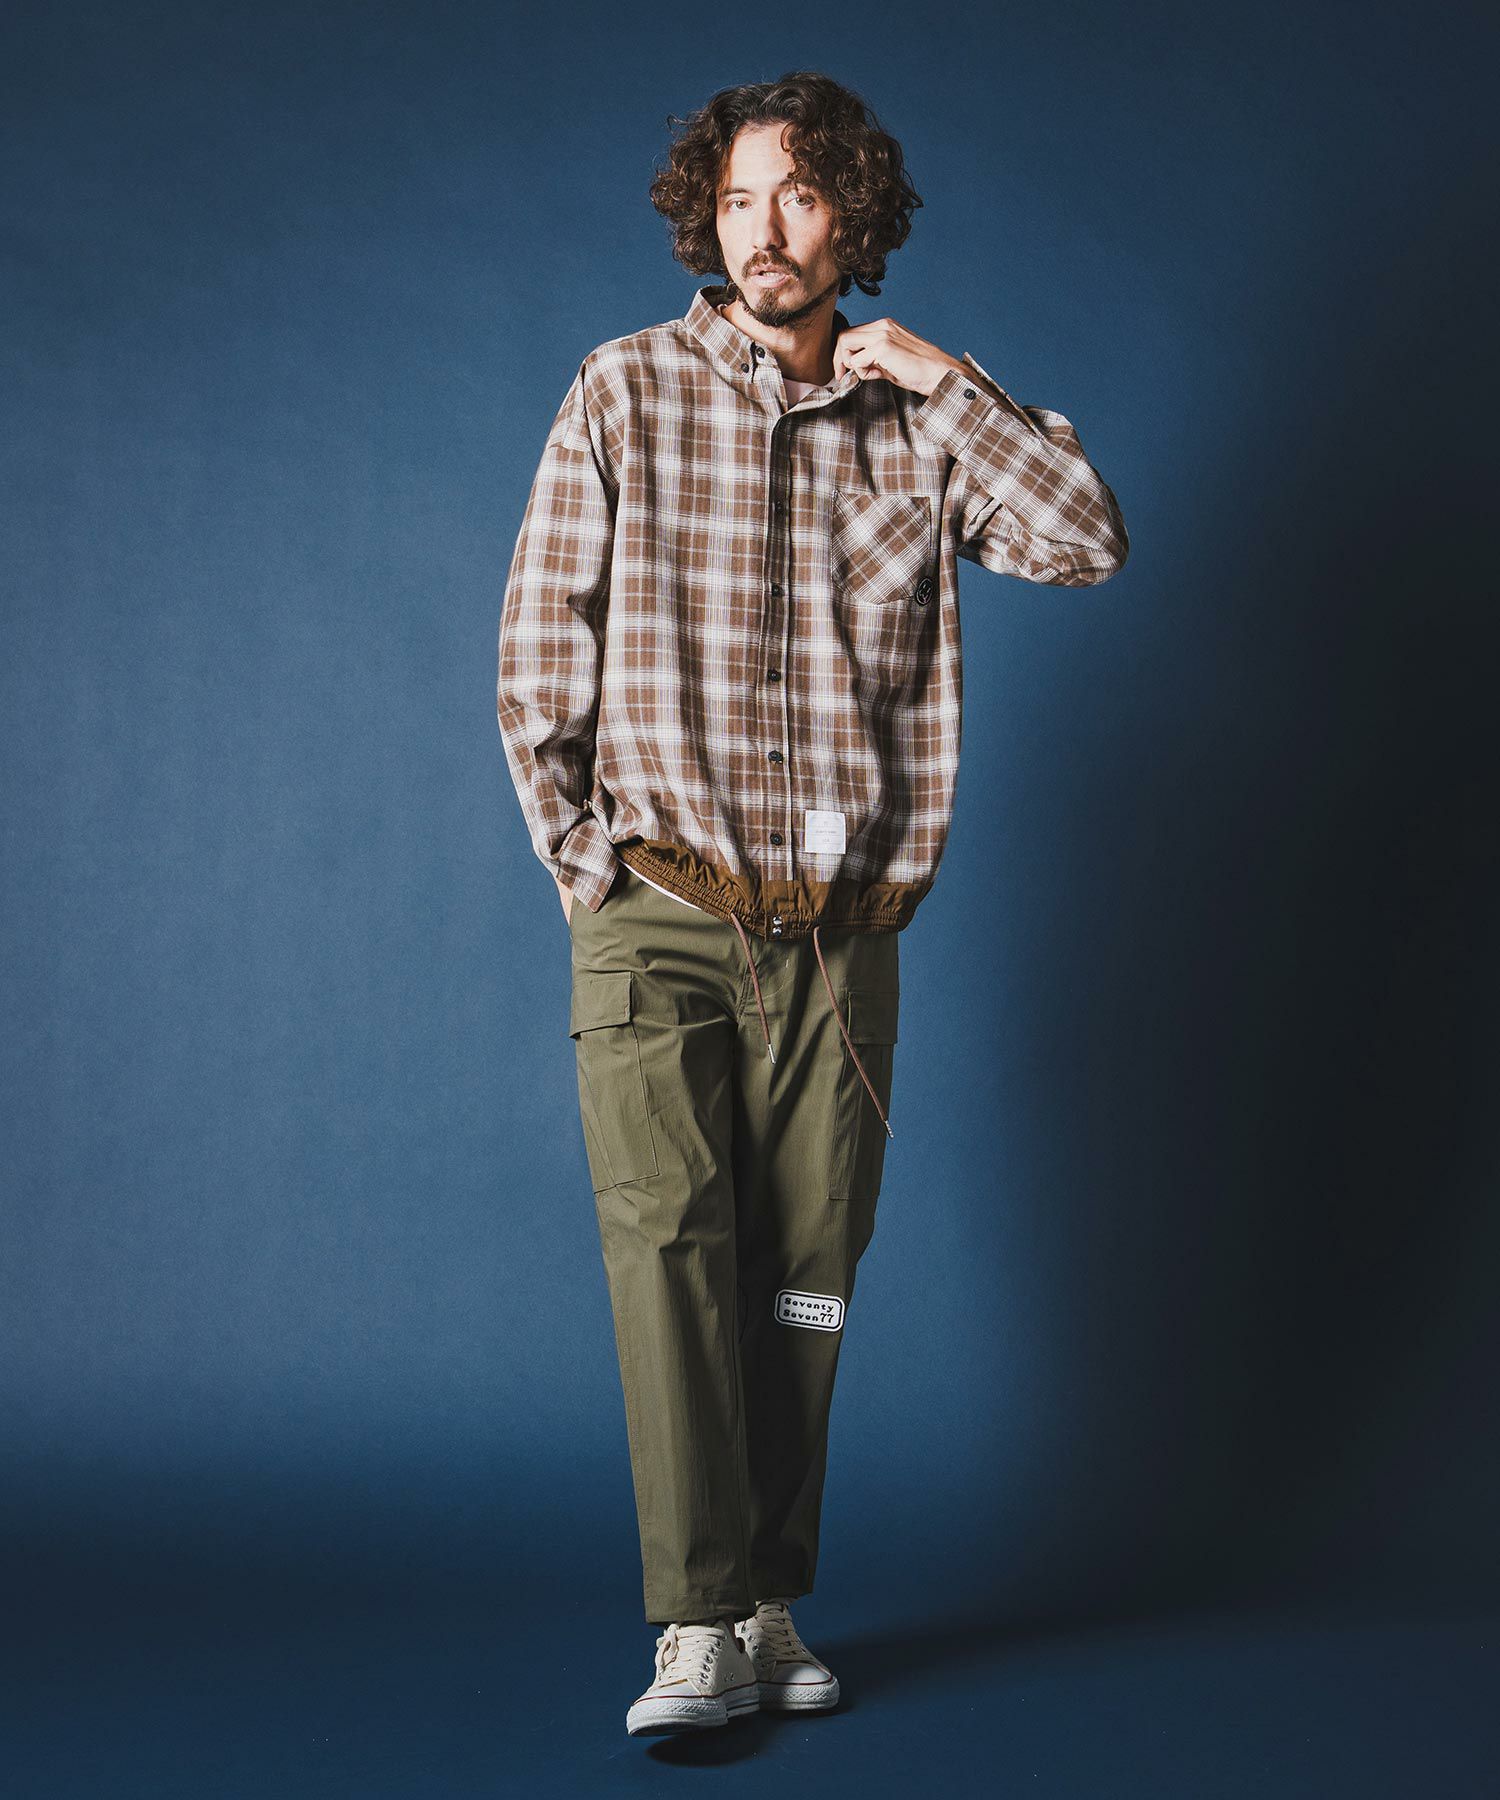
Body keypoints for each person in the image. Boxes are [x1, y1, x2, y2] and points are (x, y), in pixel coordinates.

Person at [496, 68, 1129, 1738]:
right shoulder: (624, 389)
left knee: (808, 1271)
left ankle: (772, 1598)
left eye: (798, 192)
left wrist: (946, 378)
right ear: (704, 217)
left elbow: (1086, 541)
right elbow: (539, 651)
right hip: (659, 918)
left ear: (855, 213)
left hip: (843, 947)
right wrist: (593, 876)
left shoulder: (919, 420)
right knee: (672, 1256)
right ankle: (695, 1621)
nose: (762, 229)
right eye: (736, 197)